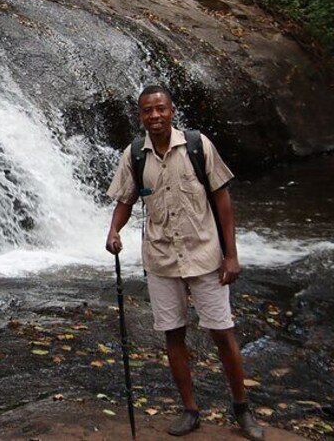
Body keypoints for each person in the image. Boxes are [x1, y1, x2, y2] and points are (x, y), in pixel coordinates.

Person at [105, 85, 265, 440]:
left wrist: (232, 255)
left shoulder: (197, 146)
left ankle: (242, 409)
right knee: (173, 334)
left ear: (172, 110)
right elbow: (125, 200)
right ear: (141, 115)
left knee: (222, 333)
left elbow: (222, 201)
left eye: (160, 108)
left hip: (204, 255)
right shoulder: (134, 155)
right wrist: (114, 231)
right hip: (162, 259)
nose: (155, 115)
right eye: (148, 111)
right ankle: (190, 410)